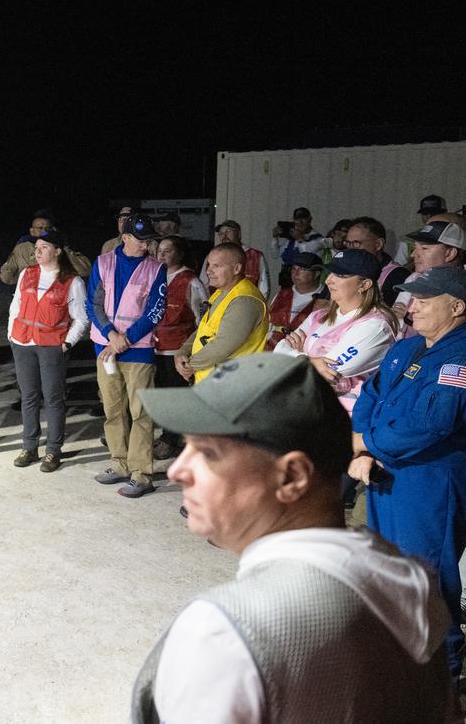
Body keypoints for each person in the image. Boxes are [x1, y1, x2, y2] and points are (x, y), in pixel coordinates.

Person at [131, 354, 453, 723]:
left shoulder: (224, 632)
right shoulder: (410, 581)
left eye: (207, 453)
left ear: (292, 477)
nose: (176, 471)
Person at [350, 265, 466, 679]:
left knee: (426, 579)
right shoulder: (407, 348)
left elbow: (432, 424)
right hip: (384, 474)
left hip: (430, 481)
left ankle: (444, 677)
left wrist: (367, 445)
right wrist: (361, 446)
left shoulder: (460, 356)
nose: (411, 307)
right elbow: (370, 397)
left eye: (423, 299)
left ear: (456, 307)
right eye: (411, 298)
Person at [86, 213, 168, 497]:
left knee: (141, 413)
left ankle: (142, 473)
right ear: (126, 238)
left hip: (139, 351)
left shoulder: (156, 269)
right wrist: (111, 335)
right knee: (113, 409)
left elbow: (155, 312)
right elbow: (93, 304)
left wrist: (125, 340)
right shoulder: (103, 263)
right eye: (141, 240)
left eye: (149, 241)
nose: (147, 246)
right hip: (105, 348)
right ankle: (119, 463)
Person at [273, 249, 397, 413]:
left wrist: (298, 355)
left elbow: (331, 370)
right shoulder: (320, 315)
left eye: (340, 275)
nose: (329, 281)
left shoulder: (376, 325)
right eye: (330, 273)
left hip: (347, 419)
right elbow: (278, 353)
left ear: (364, 284)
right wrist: (310, 361)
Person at [7, 228, 88, 470]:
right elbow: (15, 305)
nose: (37, 251)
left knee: (53, 399)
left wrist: (68, 342)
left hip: (52, 346)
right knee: (29, 397)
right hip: (23, 343)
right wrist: (12, 335)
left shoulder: (72, 281)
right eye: (36, 248)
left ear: (58, 251)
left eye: (43, 247)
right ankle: (29, 446)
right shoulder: (27, 274)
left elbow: (82, 318)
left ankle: (53, 450)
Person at [176, 243, 269, 385]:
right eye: (209, 264)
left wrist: (189, 366)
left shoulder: (244, 301)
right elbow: (203, 329)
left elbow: (222, 346)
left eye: (216, 266)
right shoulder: (221, 293)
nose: (208, 271)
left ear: (237, 268)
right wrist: (183, 351)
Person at [151, 235, 206, 459]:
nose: (161, 255)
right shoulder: (155, 276)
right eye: (160, 251)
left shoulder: (190, 281)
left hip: (177, 349)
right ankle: (169, 435)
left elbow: (202, 318)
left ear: (179, 254)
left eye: (168, 251)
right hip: (155, 347)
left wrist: (192, 349)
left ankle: (172, 439)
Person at [0, 211, 92, 284]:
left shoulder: (60, 248)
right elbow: (6, 277)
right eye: (40, 228)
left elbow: (86, 270)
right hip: (29, 294)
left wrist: (61, 246)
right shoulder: (21, 248)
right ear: (32, 231)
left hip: (57, 294)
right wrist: (24, 279)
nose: (44, 231)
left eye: (48, 228)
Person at [265, 252, 328, 349]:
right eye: (294, 269)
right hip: (272, 352)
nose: (296, 273)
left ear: (316, 274)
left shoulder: (326, 298)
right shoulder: (281, 294)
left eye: (302, 269)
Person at [343, 216, 410, 305]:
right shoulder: (342, 268)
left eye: (356, 243)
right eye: (348, 243)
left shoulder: (398, 276)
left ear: (378, 244)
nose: (350, 250)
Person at [200, 220, 270, 299]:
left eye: (228, 231)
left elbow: (264, 288)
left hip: (246, 305)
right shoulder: (212, 256)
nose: (224, 235)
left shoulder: (256, 256)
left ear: (239, 234)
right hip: (218, 306)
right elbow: (203, 284)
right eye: (221, 233)